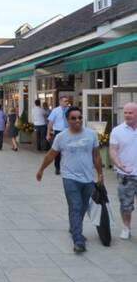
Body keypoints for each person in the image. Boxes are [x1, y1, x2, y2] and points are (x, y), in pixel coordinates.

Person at [36, 106, 103, 253]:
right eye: (74, 118)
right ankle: (78, 240)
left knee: (83, 207)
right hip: (70, 178)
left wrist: (100, 174)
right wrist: (41, 169)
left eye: (79, 117)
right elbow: (51, 155)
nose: (77, 120)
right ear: (67, 120)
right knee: (76, 206)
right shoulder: (61, 137)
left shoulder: (91, 135)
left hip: (88, 179)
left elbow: (96, 155)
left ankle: (74, 227)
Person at [109, 102, 137, 240]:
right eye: (125, 112)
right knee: (125, 204)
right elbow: (113, 150)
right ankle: (126, 228)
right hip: (126, 175)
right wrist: (118, 163)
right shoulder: (117, 131)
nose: (127, 115)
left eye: (130, 112)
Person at [46, 96, 70, 175]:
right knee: (57, 151)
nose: (67, 102)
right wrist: (48, 134)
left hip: (68, 132)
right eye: (65, 101)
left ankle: (67, 168)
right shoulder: (55, 111)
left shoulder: (70, 110)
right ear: (60, 102)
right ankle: (57, 167)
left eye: (67, 101)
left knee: (68, 150)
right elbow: (50, 123)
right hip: (58, 132)